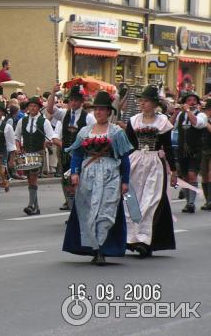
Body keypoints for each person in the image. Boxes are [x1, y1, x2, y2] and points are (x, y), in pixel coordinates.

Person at [63, 91, 132, 266]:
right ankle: (94, 248)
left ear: (109, 112)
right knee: (88, 210)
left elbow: (124, 158)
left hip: (110, 174)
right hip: (89, 174)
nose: (98, 112)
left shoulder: (116, 132)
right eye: (96, 109)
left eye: (102, 109)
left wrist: (125, 181)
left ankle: (102, 248)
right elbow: (77, 154)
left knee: (106, 210)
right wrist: (74, 172)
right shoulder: (85, 131)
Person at [124, 85, 176, 258]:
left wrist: (174, 171)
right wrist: (123, 166)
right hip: (136, 162)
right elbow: (129, 145)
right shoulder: (134, 121)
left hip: (154, 163)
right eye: (141, 101)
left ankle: (145, 241)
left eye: (146, 101)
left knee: (151, 201)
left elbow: (168, 147)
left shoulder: (162, 122)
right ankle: (131, 238)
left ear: (155, 104)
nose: (142, 104)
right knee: (132, 200)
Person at [47, 84, 96, 211]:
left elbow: (94, 137)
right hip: (65, 155)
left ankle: (81, 211)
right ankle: (72, 212)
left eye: (76, 100)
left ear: (81, 101)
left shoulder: (89, 118)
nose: (73, 103)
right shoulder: (64, 114)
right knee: (67, 184)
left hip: (81, 156)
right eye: (71, 100)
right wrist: (53, 93)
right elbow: (50, 110)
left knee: (79, 184)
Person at [14, 96, 59, 215]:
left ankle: (30, 205)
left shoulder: (44, 122)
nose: (32, 108)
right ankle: (36, 207)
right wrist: (18, 148)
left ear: (39, 108)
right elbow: (16, 137)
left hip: (38, 152)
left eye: (35, 106)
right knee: (30, 180)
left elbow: (51, 136)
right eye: (30, 106)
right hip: (26, 152)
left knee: (33, 177)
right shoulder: (22, 121)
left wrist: (48, 142)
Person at [170, 91, 206, 213]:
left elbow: (196, 123)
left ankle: (191, 203)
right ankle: (187, 202)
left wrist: (188, 111)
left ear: (197, 103)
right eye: (189, 100)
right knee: (184, 177)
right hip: (181, 150)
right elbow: (168, 126)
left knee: (192, 175)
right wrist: (175, 113)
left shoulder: (202, 115)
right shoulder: (180, 115)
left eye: (194, 100)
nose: (191, 102)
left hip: (195, 150)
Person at [200, 99, 211, 211]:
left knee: (210, 173)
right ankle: (207, 199)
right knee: (204, 175)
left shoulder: (206, 121)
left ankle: (210, 200)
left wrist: (206, 122)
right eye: (207, 109)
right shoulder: (202, 119)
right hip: (203, 149)